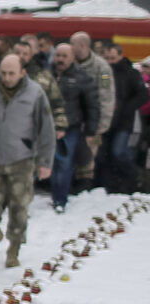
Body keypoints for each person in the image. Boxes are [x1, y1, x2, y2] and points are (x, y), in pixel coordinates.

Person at [0, 54, 55, 267]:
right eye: (3, 73)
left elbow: (46, 128)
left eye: (12, 73)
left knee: (19, 206)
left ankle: (14, 248)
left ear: (22, 72)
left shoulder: (35, 93)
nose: (7, 78)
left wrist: (45, 162)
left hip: (21, 158)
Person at [51, 44, 99, 213]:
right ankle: (53, 192)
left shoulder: (81, 77)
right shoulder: (47, 73)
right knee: (50, 162)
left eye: (64, 56)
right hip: (48, 126)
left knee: (64, 162)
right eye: (58, 55)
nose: (60, 59)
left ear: (72, 58)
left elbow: (93, 105)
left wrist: (91, 130)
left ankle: (60, 199)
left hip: (70, 127)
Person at [99, 43, 147, 194]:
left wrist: (126, 108)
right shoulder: (104, 73)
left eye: (113, 58)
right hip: (107, 120)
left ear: (120, 55)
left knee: (119, 151)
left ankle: (133, 176)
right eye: (107, 58)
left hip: (124, 121)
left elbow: (142, 95)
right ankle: (113, 183)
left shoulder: (130, 73)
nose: (110, 61)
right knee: (106, 154)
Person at [70, 32, 114, 190]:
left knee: (88, 157)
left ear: (82, 45)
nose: (70, 47)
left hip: (92, 120)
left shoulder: (102, 68)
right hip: (74, 119)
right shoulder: (71, 64)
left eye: (72, 44)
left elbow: (107, 95)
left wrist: (101, 124)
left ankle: (84, 186)